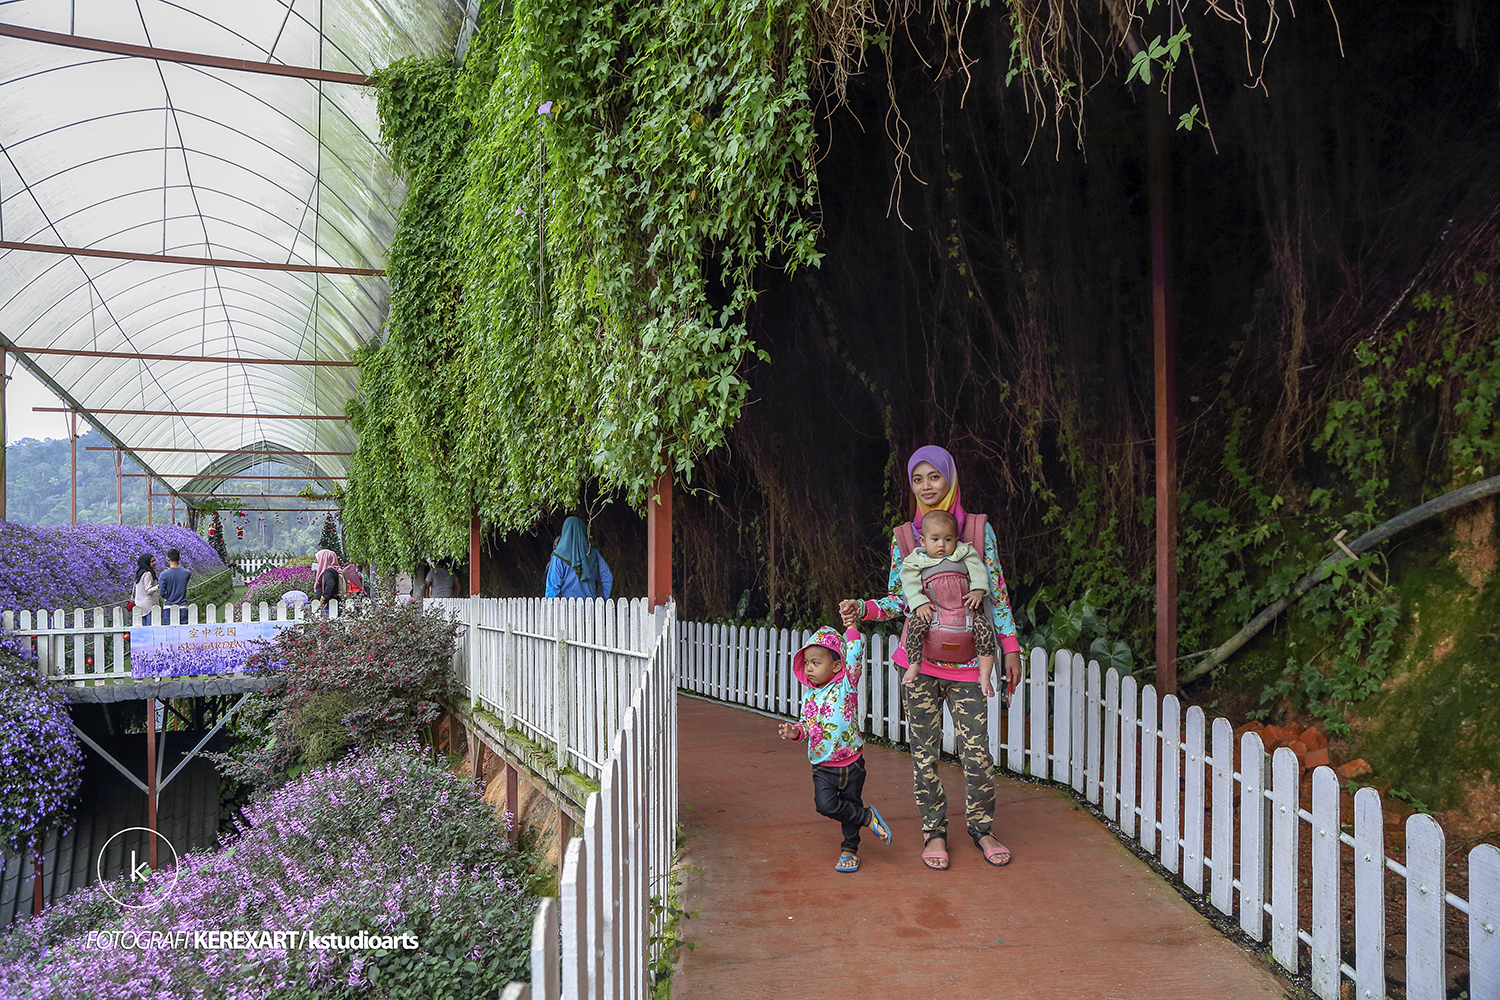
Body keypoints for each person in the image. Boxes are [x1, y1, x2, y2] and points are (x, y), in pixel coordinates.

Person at [839, 445, 1023, 871]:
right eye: (917, 479)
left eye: (934, 477)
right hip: (918, 665)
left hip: (969, 664)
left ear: (950, 478)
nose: (926, 486)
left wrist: (1010, 648)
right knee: (925, 754)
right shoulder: (905, 537)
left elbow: (996, 593)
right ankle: (934, 830)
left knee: (976, 753)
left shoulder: (978, 530)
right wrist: (864, 609)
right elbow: (899, 598)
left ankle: (982, 827)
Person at [776, 625, 892, 872]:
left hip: (852, 763)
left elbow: (855, 653)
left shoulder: (846, 686)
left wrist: (851, 628)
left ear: (837, 666)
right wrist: (796, 732)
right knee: (825, 805)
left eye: (816, 662)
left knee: (851, 800)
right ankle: (866, 817)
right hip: (823, 766)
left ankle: (849, 848)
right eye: (806, 662)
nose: (809, 667)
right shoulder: (809, 697)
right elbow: (807, 726)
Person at [898, 508, 997, 688]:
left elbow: (978, 569)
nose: (941, 544)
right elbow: (908, 580)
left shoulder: (964, 552)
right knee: (914, 626)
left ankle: (984, 675)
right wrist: (918, 602)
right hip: (933, 610)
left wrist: (978, 590)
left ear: (956, 540)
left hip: (965, 610)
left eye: (948, 539)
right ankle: (914, 663)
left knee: (984, 631)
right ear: (923, 541)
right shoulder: (916, 559)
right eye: (935, 539)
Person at [544, 516, 613, 599]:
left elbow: (552, 587)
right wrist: (601, 600)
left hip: (566, 608)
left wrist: (552, 609)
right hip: (590, 607)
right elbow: (607, 578)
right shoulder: (594, 554)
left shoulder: (558, 557)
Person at [158, 548, 192, 625]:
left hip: (169, 606)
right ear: (179, 558)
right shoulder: (187, 573)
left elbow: (162, 593)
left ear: (168, 559)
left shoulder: (163, 575)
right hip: (183, 605)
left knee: (168, 632)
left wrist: (167, 596)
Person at [133, 553, 160, 625]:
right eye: (152, 561)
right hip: (148, 605)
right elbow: (148, 590)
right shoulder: (148, 573)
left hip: (139, 603)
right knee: (150, 626)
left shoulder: (140, 574)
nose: (154, 563)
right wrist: (158, 587)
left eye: (154, 561)